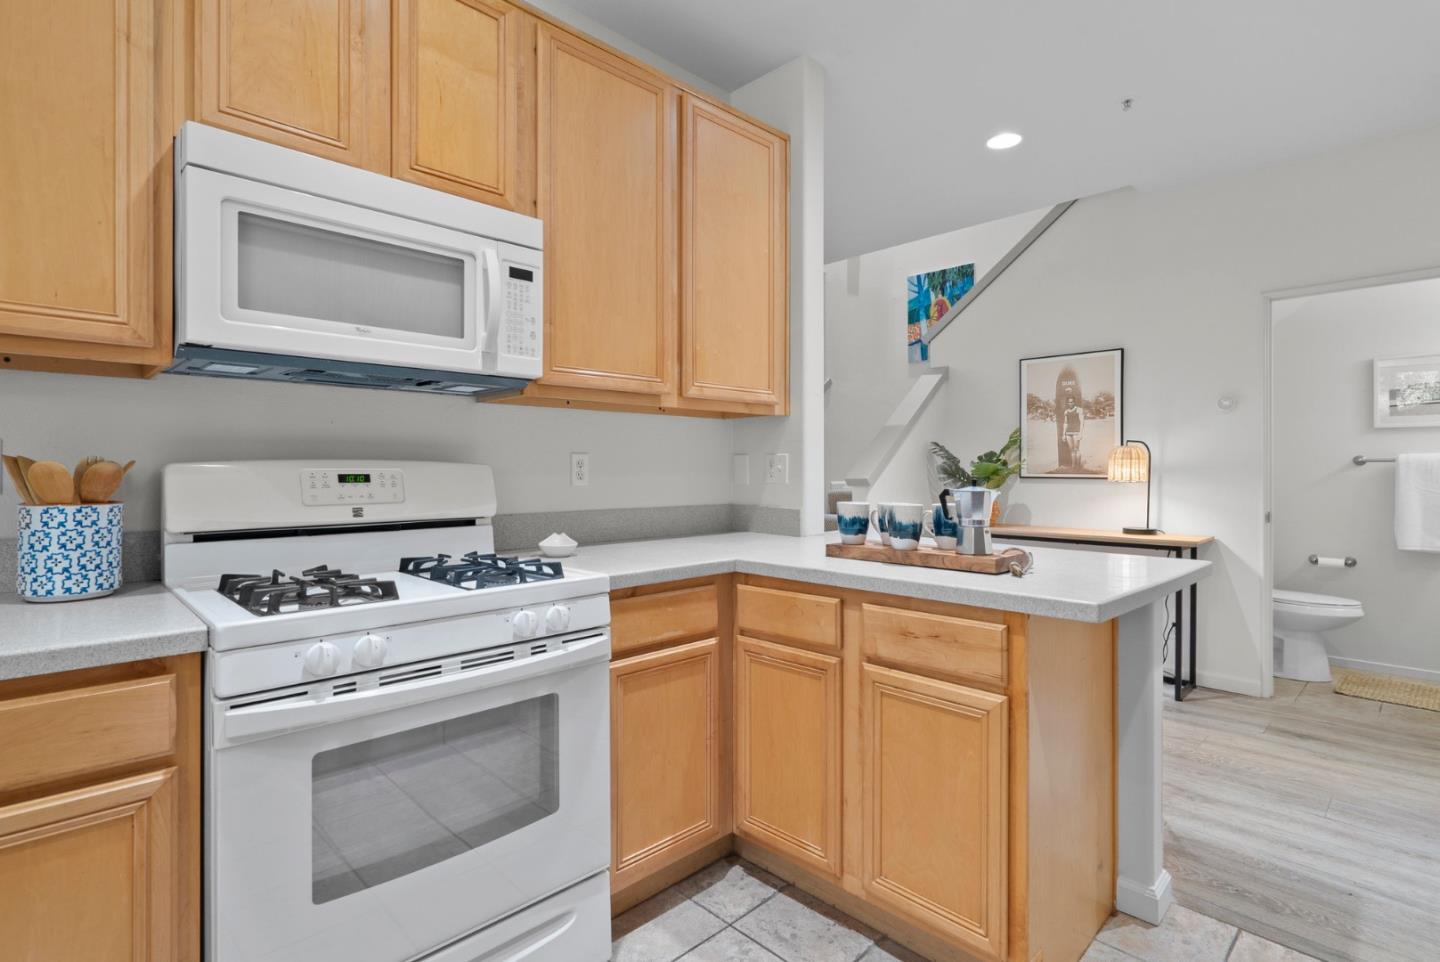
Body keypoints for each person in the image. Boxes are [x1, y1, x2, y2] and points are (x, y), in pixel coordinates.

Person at [1062, 394, 1085, 469]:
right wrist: (1063, 434)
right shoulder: (1066, 412)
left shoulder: (1079, 410)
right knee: (1071, 450)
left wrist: (1081, 433)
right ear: (1067, 403)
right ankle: (1073, 466)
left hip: (1076, 432)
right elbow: (1065, 423)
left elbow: (1082, 422)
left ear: (1074, 402)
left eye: (1072, 402)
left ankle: (1078, 466)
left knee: (1076, 449)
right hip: (1068, 432)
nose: (1070, 403)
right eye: (1069, 402)